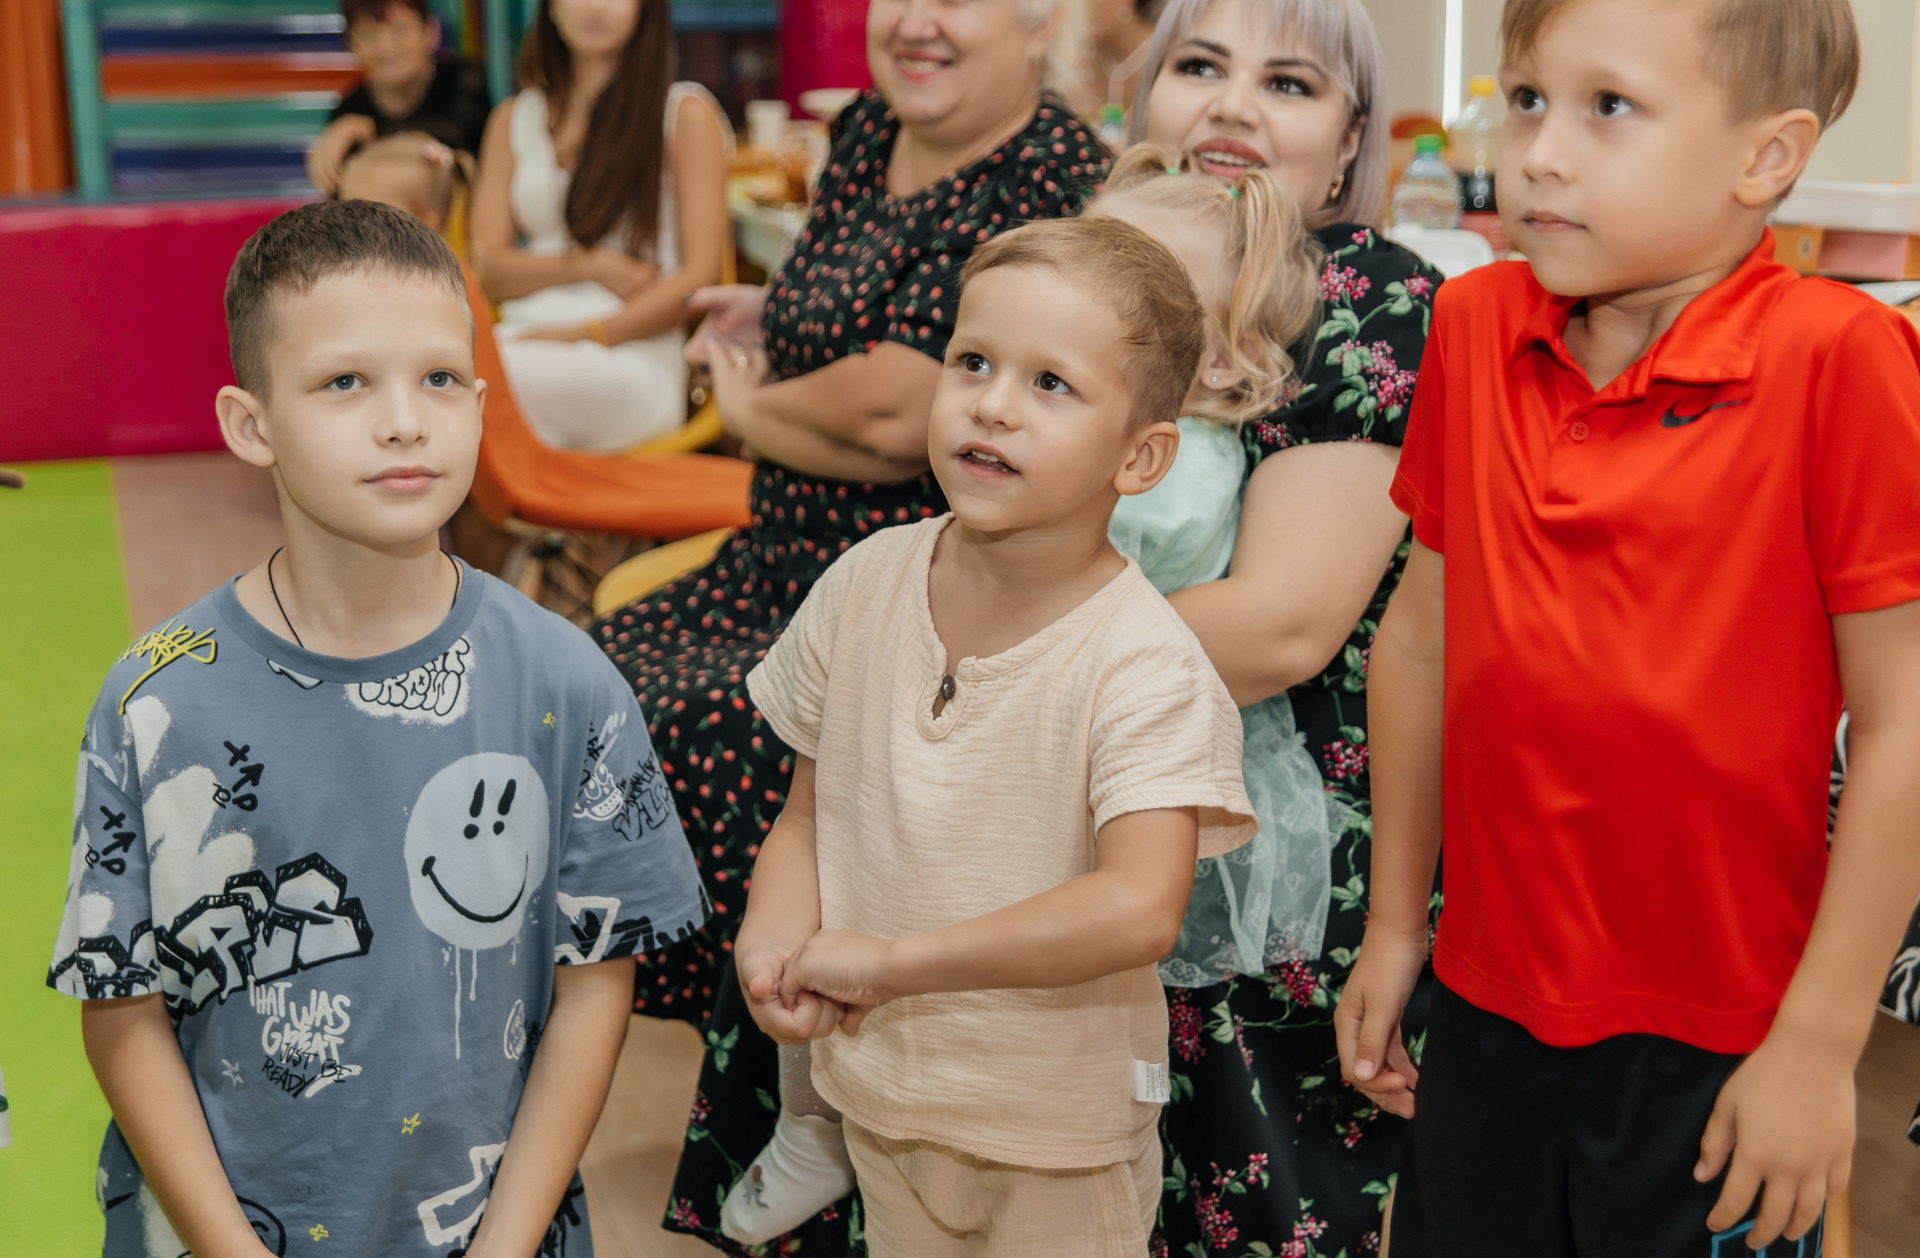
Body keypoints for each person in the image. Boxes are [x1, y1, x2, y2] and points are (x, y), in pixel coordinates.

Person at [1336, 0, 1920, 1251]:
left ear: (1766, 155)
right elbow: (1422, 640)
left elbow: (1904, 719)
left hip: (1724, 1033)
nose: (1540, 152)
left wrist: (1820, 1045)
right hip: (1486, 1001)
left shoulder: (1840, 358)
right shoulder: (1473, 327)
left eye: (1609, 107)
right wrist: (1394, 929)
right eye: (1527, 99)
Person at [46, 199, 709, 1258]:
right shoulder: (158, 704)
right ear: (251, 424)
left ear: (481, 405)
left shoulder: (566, 682)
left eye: (439, 379)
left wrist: (504, 1244)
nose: (405, 421)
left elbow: (595, 986)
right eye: (345, 382)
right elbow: (122, 1009)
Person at [717, 145, 1340, 1246]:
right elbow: (811, 817)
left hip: (1055, 1139)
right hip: (881, 1104)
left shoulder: (1145, 660)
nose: (993, 406)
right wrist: (774, 938)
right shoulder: (863, 584)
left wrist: (895, 966)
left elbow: (1136, 906)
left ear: (1141, 459)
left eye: (1051, 384)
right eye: (972, 361)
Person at [589, 0, 1107, 1243]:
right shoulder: (870, 127)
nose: (917, 22)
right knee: (590, 690)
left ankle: (817, 1103)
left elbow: (897, 414)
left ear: (1039, 22)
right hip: (777, 559)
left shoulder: (1053, 173)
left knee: (738, 735)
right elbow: (843, 321)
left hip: (918, 586)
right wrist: (767, 321)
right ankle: (750, 1062)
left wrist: (749, 412)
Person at [1123, 0, 1445, 1250]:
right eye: (1200, 65)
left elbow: (1281, 627)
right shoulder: (1088, 258)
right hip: (1097, 736)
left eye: (1290, 84)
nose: (1233, 105)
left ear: (1352, 136)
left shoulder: (1365, 292)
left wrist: (994, 665)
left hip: (1288, 799)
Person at [469, 0, 730, 452]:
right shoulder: (513, 118)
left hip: (631, 355)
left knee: (452, 382)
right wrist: (590, 265)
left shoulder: (682, 112)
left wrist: (578, 335)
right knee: (434, 375)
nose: (594, 6)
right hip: (519, 339)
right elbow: (487, 269)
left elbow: (700, 279)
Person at [307, 0, 490, 196]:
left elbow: (461, 144)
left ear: (431, 31)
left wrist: (370, 132)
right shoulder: (349, 111)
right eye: (369, 35)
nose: (386, 47)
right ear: (351, 44)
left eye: (400, 30)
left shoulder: (468, 82)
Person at [336, 131, 472, 239]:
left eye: (370, 216)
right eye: (347, 213)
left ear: (424, 227)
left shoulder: (450, 267)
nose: (350, 228)